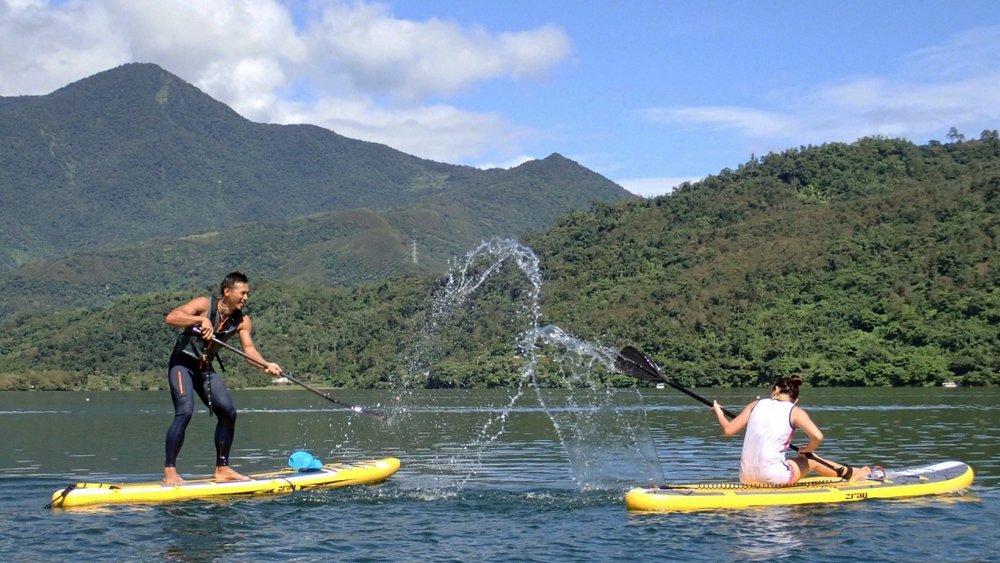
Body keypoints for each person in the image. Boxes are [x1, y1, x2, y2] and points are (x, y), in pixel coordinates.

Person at [162, 271, 282, 485]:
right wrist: (200, 320)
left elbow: (249, 353)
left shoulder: (243, 321)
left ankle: (222, 469)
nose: (246, 298)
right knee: (185, 411)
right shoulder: (204, 305)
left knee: (228, 412)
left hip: (204, 369)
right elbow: (171, 318)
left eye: (248, 294)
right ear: (227, 292)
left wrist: (267, 365)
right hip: (182, 364)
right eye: (242, 293)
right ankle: (170, 471)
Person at [710, 375, 869, 486]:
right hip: (771, 478)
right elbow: (818, 436)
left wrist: (719, 412)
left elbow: (729, 430)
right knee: (811, 460)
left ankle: (852, 471)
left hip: (745, 477)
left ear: (775, 389)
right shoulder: (795, 411)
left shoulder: (755, 405)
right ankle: (852, 473)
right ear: (796, 400)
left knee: (796, 459)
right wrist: (807, 449)